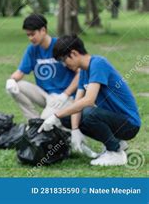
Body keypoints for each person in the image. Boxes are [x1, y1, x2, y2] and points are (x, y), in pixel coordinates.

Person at [39, 35, 141, 166]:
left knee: (88, 113)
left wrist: (55, 115)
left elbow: (88, 100)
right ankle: (117, 143)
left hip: (129, 124)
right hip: (114, 120)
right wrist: (75, 130)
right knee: (68, 118)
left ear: (73, 53)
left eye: (64, 60)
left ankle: (115, 153)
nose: (65, 65)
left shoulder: (98, 64)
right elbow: (77, 102)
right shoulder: (83, 71)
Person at [5, 14, 79, 120]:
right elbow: (20, 72)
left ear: (43, 30)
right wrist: (11, 80)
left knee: (46, 119)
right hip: (45, 95)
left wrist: (66, 94)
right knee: (17, 86)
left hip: (64, 97)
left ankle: (62, 128)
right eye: (28, 35)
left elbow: (80, 72)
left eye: (33, 34)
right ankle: (34, 121)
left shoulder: (61, 46)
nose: (30, 38)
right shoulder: (32, 49)